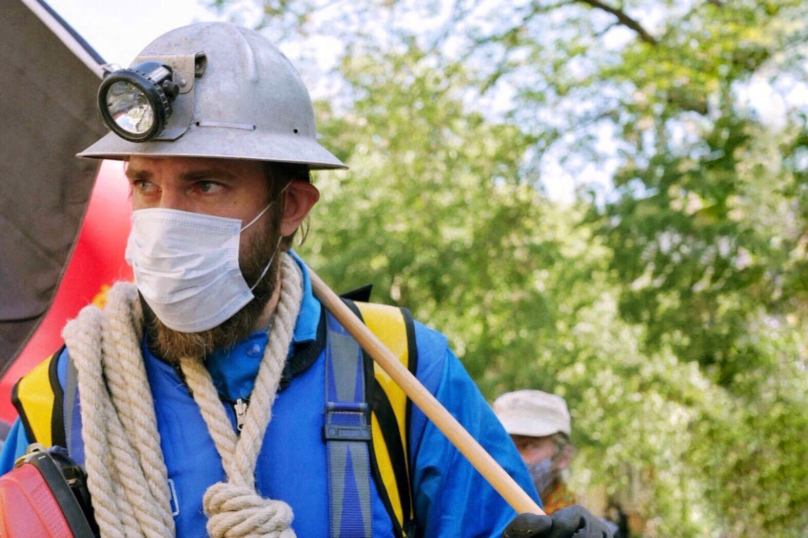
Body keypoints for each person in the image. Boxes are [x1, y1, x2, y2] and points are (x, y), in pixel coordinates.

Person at [0, 23, 610, 538]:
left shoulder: (402, 372)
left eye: (205, 184)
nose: (165, 218)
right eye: (143, 185)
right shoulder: (63, 394)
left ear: (290, 206)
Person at [495, 390, 619, 537]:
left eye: (528, 445)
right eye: (504, 446)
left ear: (563, 456)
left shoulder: (592, 531)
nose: (512, 459)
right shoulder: (472, 522)